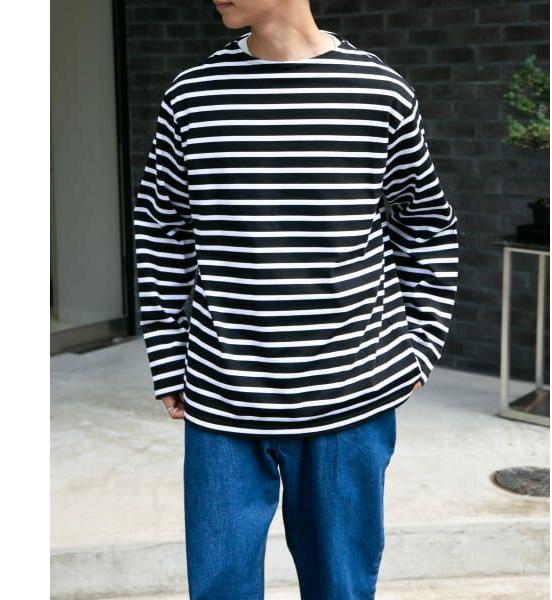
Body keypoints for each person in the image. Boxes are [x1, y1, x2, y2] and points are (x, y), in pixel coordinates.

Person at [133, 1, 459, 598]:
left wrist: (419, 344)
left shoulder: (378, 92)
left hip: (350, 395)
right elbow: (162, 227)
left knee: (342, 587)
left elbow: (425, 223)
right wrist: (168, 355)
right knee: (220, 590)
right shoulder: (193, 96)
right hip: (223, 394)